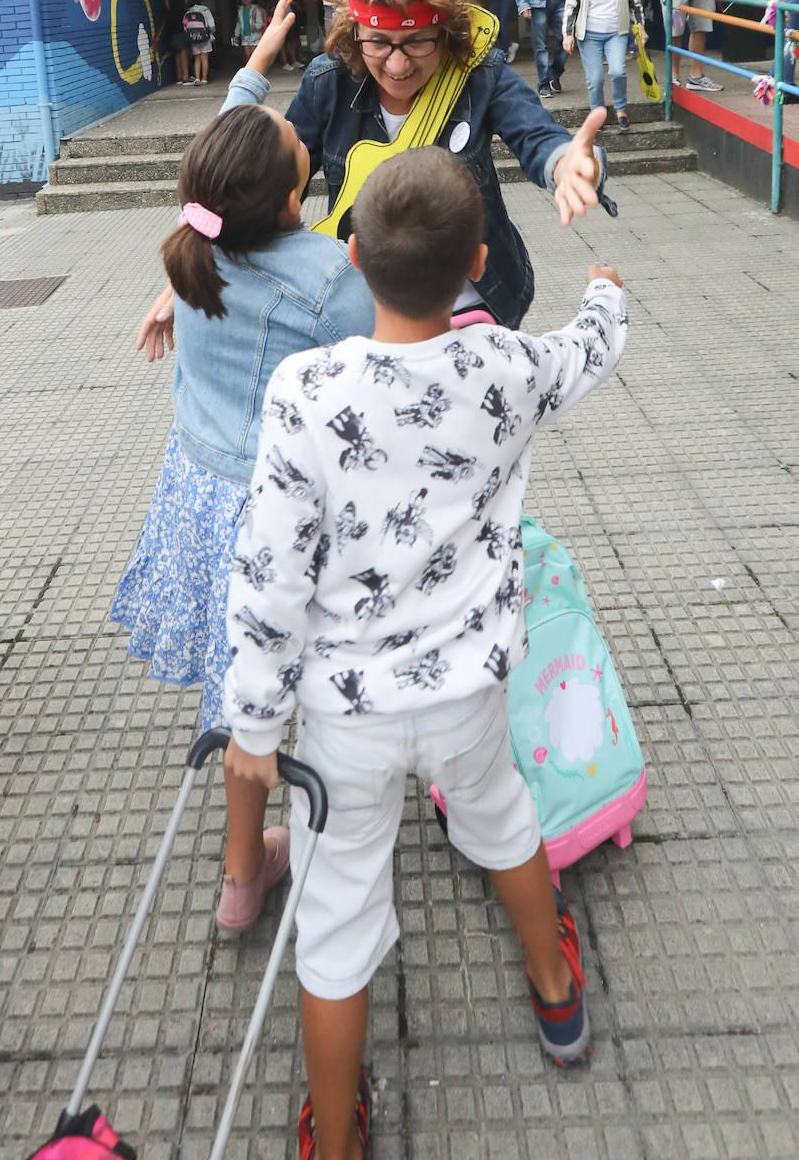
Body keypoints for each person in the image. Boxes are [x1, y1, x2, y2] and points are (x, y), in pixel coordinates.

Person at [222, 145, 627, 1160]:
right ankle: (555, 992)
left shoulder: (304, 391)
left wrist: (253, 722)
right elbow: (589, 345)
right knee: (502, 820)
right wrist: (605, 294)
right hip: (468, 697)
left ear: (349, 254)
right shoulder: (505, 366)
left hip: (340, 721)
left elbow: (269, 571)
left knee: (338, 914)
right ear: (478, 260)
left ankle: (337, 1136)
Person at [111, 0, 376, 934]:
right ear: (294, 198)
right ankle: (300, 855)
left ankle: (238, 874)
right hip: (282, 522)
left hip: (197, 497)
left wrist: (261, 55)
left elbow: (234, 131)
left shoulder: (199, 243)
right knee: (284, 702)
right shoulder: (331, 283)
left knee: (237, 696)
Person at [281, 0, 608, 333]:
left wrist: (567, 164)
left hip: (476, 309)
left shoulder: (478, 73)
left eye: (417, 42)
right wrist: (207, 264)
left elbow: (536, 134)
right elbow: (272, 189)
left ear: (446, 33)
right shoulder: (328, 83)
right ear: (355, 32)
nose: (397, 65)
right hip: (367, 316)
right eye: (378, 42)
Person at [562, 0, 646, 130]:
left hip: (616, 32)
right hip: (589, 34)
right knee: (596, 78)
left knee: (617, 71)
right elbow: (571, 5)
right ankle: (597, 113)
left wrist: (640, 27)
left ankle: (621, 109)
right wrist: (567, 34)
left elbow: (635, 0)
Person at [183, 0, 216, 86]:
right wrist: (210, 32)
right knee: (204, 58)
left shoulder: (188, 12)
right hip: (205, 37)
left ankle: (197, 78)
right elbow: (212, 24)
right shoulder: (205, 10)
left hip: (193, 38)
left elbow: (185, 26)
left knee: (197, 58)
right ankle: (204, 79)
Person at [233, 0, 268, 64]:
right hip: (245, 35)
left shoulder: (256, 9)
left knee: (254, 54)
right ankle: (250, 69)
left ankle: (256, 69)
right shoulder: (240, 10)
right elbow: (239, 24)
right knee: (247, 54)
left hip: (254, 35)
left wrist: (255, 27)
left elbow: (260, 22)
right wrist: (236, 34)